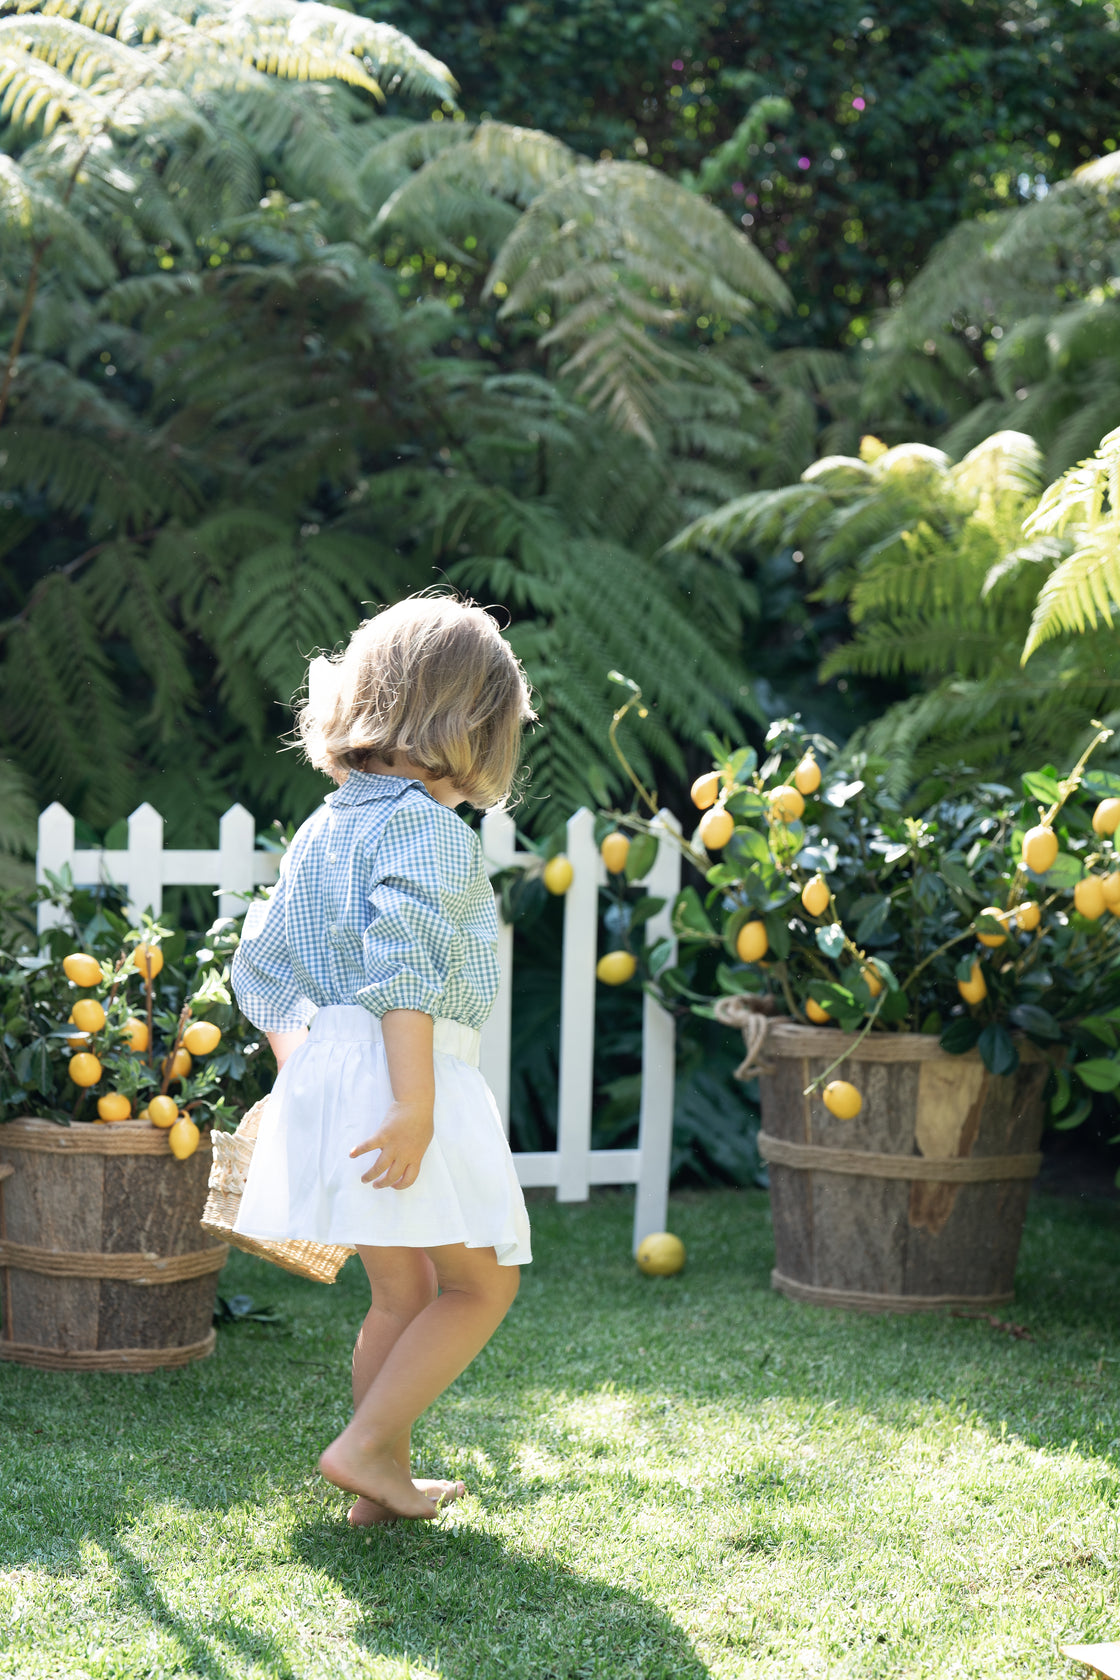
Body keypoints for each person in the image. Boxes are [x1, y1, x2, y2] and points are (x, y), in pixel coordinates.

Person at [229, 594, 536, 1524]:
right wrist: (410, 1102)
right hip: (408, 1069)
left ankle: (380, 1481)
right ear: (476, 723)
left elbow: (262, 968)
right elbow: (405, 971)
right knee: (483, 1282)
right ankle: (365, 1447)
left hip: (335, 1066)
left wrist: (309, 1080)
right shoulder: (431, 831)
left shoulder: (326, 825)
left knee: (402, 1289)